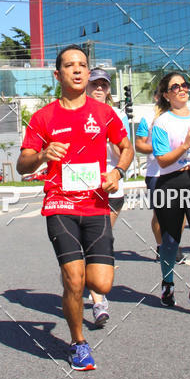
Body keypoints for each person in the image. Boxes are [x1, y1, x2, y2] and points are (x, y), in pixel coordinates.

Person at [16, 46, 134, 370]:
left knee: (101, 284)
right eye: (70, 65)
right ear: (58, 75)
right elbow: (21, 165)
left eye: (83, 65)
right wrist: (41, 155)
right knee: (74, 278)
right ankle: (78, 343)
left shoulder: (104, 113)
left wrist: (118, 171)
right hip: (60, 203)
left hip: (96, 204)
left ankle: (82, 289)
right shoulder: (43, 117)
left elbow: (126, 147)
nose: (78, 70)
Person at [151, 72, 190, 314]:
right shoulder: (161, 122)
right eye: (175, 86)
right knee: (170, 241)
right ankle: (167, 283)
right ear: (166, 94)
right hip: (169, 184)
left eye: (185, 84)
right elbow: (163, 160)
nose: (182, 89)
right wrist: (185, 146)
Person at [86, 68, 130, 327]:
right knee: (91, 242)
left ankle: (95, 292)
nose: (99, 88)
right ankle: (97, 297)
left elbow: (124, 150)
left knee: (101, 240)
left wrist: (108, 130)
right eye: (95, 84)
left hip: (112, 188)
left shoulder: (117, 115)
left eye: (104, 84)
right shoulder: (76, 110)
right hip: (82, 189)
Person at [135, 90, 186, 264]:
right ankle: (161, 246)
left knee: (181, 211)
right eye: (163, 95)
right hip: (156, 173)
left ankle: (175, 244)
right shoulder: (148, 118)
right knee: (160, 213)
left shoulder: (180, 116)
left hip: (180, 171)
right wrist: (161, 148)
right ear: (157, 97)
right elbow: (140, 145)